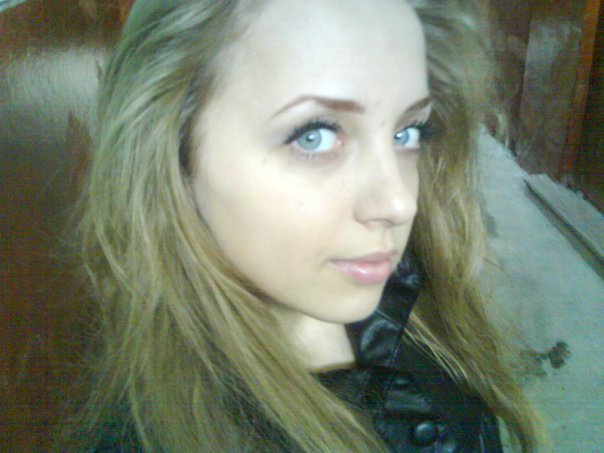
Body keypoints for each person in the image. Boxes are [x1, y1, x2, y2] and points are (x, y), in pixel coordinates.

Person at [60, 0, 545, 451]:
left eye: (406, 132)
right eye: (313, 136)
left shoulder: (418, 294)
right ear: (173, 156)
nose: (399, 203)